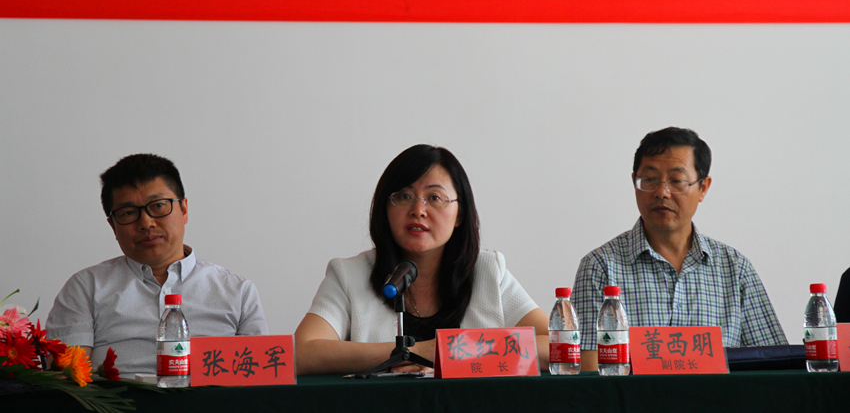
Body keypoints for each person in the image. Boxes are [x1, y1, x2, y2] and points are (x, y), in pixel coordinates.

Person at [294, 145, 549, 375]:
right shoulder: (349, 275)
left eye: (434, 198)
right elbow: (301, 353)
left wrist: (445, 352)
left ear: (460, 214)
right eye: (404, 196)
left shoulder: (488, 272)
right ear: (385, 207)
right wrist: (412, 353)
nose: (418, 210)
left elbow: (559, 345)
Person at [572, 127, 787, 371]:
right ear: (634, 182)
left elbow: (774, 364)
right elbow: (589, 369)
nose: (662, 192)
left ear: (703, 188)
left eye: (677, 181)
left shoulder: (735, 269)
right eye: (649, 180)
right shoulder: (600, 267)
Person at [46, 154, 268, 375]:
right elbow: (67, 378)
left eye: (159, 205)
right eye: (128, 213)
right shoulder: (85, 288)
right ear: (113, 226)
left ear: (184, 210)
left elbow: (259, 377)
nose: (146, 223)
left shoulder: (238, 292)